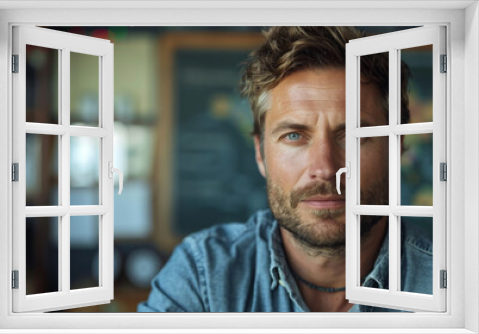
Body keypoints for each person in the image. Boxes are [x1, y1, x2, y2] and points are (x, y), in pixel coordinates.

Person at [137, 26, 432, 312]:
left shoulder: (452, 282)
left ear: (397, 146)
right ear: (260, 153)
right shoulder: (203, 277)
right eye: (294, 136)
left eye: (354, 136)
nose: (325, 168)